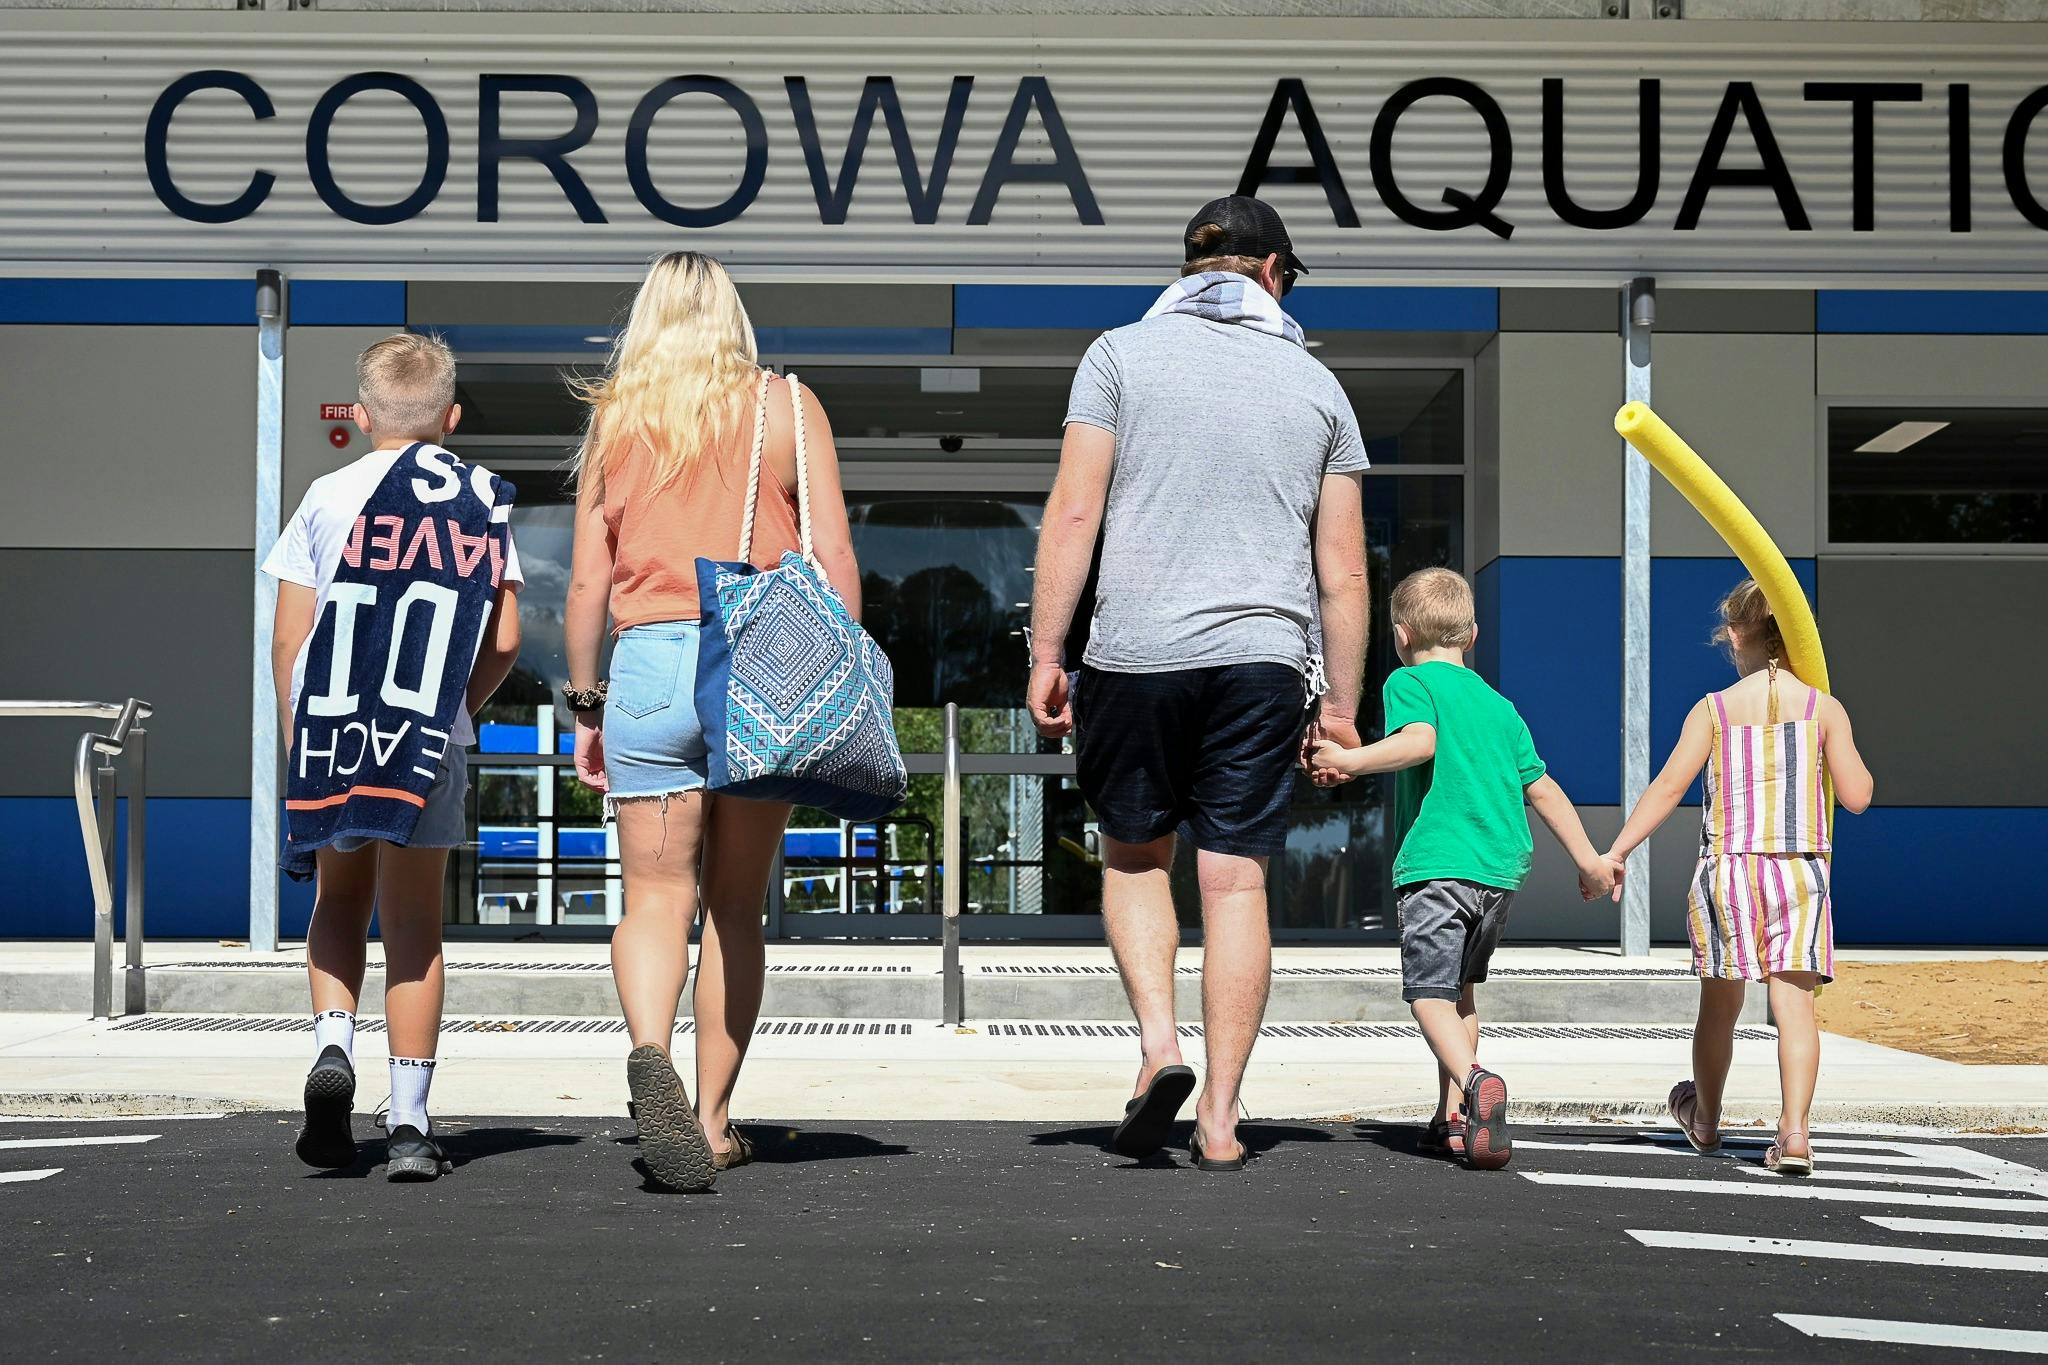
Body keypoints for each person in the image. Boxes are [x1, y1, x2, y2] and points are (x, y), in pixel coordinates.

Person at [1029, 195, 1371, 1172]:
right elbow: (1342, 570)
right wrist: (1340, 709)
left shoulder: (1117, 357)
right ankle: (1220, 1116)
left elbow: (1071, 514)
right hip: (1262, 660)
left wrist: (1047, 651)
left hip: (1134, 654)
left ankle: (1156, 1054)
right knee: (1233, 881)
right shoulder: (1316, 387)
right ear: (1270, 274)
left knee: (1136, 859)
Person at [563, 251, 862, 1192]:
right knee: (734, 905)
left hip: (649, 662)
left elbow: (586, 581)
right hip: (759, 662)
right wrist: (838, 671)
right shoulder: (788, 407)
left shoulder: (618, 419)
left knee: (654, 895)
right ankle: (712, 1116)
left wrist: (585, 706)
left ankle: (649, 1046)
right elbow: (836, 556)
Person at [266, 333, 524, 1181]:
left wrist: (298, 739)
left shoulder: (324, 494)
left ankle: (332, 1047)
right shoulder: (479, 498)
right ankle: (410, 1123)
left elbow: (289, 638)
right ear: (451, 418)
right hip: (427, 735)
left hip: (334, 730)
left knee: (341, 902)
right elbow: (506, 639)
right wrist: (455, 708)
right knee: (413, 925)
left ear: (363, 412)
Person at [1311, 568, 1617, 1170]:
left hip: (1438, 862)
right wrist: (1590, 860)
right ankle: (1453, 1120)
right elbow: (1544, 788)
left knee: (1427, 993)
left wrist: (1351, 760)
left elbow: (1419, 742)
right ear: (1472, 634)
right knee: (1462, 994)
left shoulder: (1410, 680)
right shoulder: (1500, 707)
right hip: (1500, 872)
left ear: (1400, 633)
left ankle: (1476, 1084)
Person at [1604, 579, 1872, 1175]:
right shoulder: (1824, 709)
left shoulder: (1714, 710)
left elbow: (1668, 788)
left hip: (1727, 871)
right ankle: (1796, 1132)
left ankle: (1705, 1119)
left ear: (1733, 634)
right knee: (1796, 1010)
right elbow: (1856, 797)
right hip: (1799, 871)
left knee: (1719, 1008)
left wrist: (1617, 851)